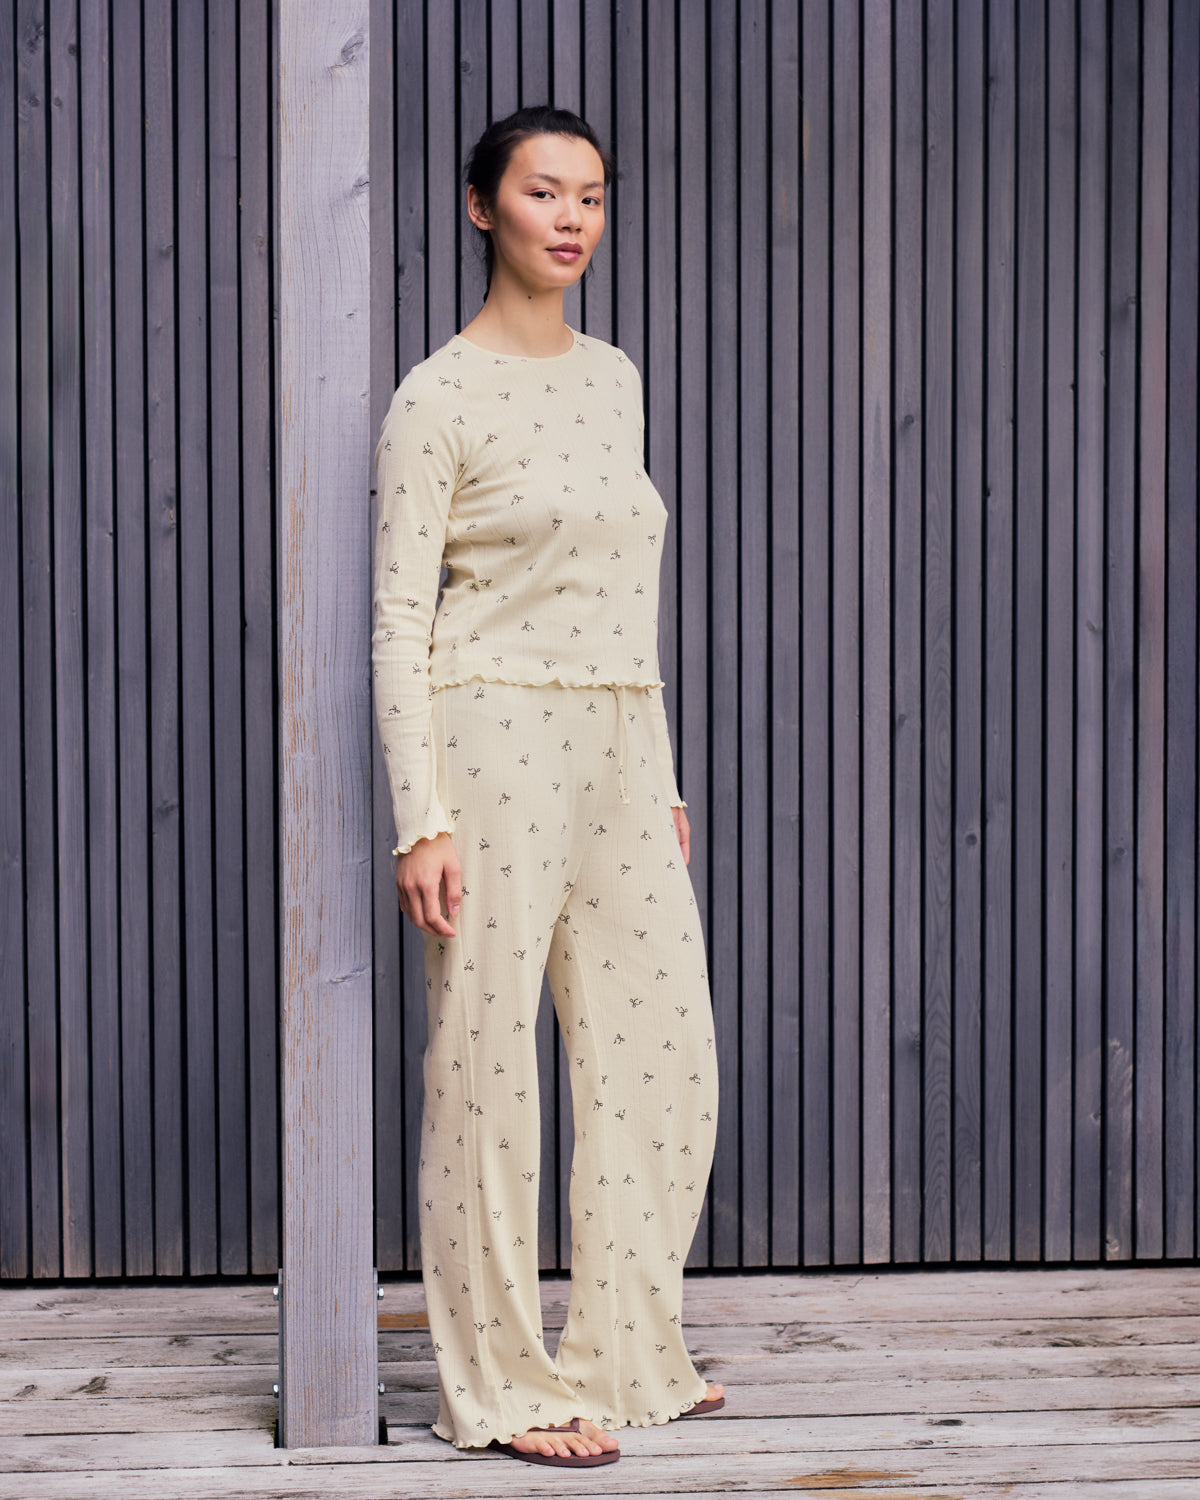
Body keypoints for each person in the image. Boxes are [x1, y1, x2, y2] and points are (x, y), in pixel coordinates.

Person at [372, 105, 721, 1469]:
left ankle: (624, 1349)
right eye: (540, 193)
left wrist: (664, 770)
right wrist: (423, 815)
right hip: (492, 736)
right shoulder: (435, 398)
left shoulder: (615, 375)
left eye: (590, 196)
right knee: (487, 1075)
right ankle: (505, 1388)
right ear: (481, 210)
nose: (570, 218)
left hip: (622, 746)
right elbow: (402, 620)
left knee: (664, 1056)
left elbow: (629, 591)